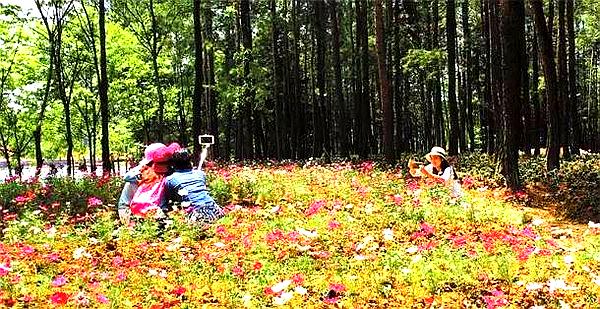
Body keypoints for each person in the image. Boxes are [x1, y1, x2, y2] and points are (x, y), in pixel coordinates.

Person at [117, 143, 178, 224]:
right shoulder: (141, 172)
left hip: (140, 212)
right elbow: (127, 177)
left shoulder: (158, 172)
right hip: (129, 211)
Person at [165, 148, 224, 225]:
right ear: (190, 161)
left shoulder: (170, 179)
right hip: (215, 210)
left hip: (195, 214)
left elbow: (170, 199)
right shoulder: (200, 174)